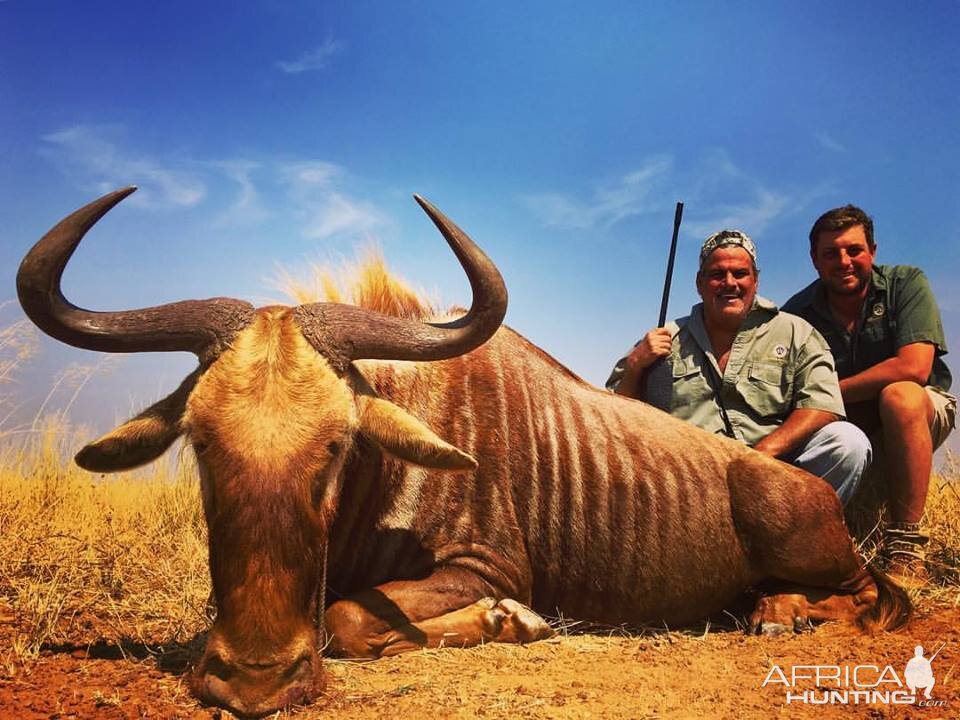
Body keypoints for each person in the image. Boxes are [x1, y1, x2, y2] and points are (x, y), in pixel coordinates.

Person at [607, 229, 870, 504]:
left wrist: (760, 456)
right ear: (700, 282)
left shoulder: (796, 332)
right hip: (688, 481)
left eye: (740, 274)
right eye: (718, 275)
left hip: (772, 472)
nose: (729, 283)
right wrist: (636, 365)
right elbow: (618, 423)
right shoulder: (663, 338)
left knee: (847, 442)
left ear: (756, 280)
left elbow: (822, 406)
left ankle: (797, 539)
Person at [783, 205, 956, 582]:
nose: (843, 261)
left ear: (872, 252)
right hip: (846, 425)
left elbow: (915, 366)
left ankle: (907, 548)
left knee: (901, 395)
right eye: (831, 253)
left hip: (917, 410)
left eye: (854, 250)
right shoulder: (795, 313)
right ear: (814, 259)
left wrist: (826, 395)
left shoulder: (905, 282)